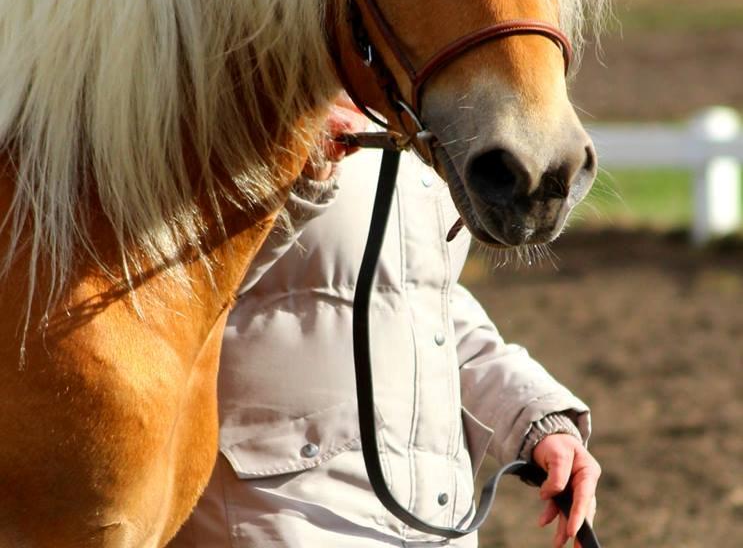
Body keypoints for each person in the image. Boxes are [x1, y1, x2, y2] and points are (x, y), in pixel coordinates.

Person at [171, 102, 600, 547]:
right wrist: (298, 187)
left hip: (433, 518)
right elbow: (172, 285)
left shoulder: (418, 118)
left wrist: (535, 420)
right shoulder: (225, 91)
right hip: (280, 512)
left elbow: (421, 298)